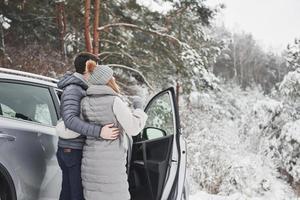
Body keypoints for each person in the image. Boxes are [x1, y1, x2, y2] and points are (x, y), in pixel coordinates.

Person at [80, 61, 148, 200]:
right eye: (112, 77)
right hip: (110, 165)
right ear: (107, 81)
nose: (115, 79)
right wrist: (139, 108)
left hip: (90, 161)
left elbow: (81, 127)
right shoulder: (114, 101)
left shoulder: (84, 102)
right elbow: (134, 128)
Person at [56, 52, 119, 200]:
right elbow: (70, 120)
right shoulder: (74, 89)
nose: (96, 71)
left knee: (68, 194)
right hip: (72, 149)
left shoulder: (80, 87)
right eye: (94, 67)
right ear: (87, 68)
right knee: (77, 195)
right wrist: (99, 132)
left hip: (72, 149)